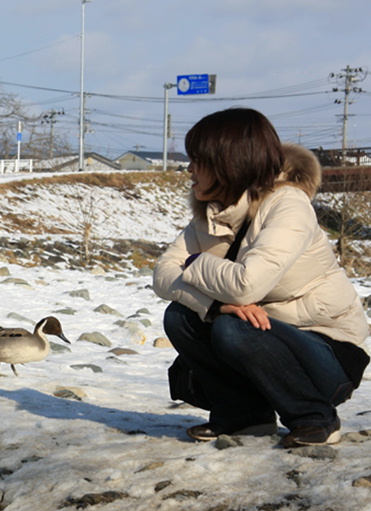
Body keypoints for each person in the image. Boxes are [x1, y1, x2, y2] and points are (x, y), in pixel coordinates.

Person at [153, 107, 370, 447]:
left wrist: (194, 262)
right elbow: (162, 275)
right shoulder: (209, 216)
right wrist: (212, 305)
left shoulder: (288, 205)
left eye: (198, 160)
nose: (189, 169)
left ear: (229, 162)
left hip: (326, 352)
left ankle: (316, 418)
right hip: (259, 342)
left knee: (233, 327)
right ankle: (244, 418)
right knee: (181, 316)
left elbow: (246, 285)